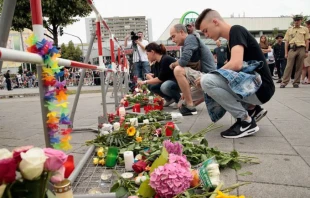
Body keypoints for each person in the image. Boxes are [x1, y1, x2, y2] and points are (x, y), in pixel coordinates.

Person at [195, 8, 274, 138]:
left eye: (205, 30)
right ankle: (252, 109)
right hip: (257, 87)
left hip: (261, 88)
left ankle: (246, 122)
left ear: (215, 22)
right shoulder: (230, 43)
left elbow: (236, 64)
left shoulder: (236, 30)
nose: (206, 35)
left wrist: (208, 78)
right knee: (210, 80)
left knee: (207, 80)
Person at [169, 24, 216, 116]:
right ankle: (207, 95)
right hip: (202, 79)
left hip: (209, 78)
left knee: (178, 69)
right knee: (181, 104)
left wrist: (173, 64)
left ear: (182, 32)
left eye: (173, 36)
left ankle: (190, 107)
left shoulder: (190, 38)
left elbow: (182, 62)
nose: (173, 40)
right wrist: (187, 92)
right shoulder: (188, 43)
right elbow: (190, 69)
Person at [137, 43, 180, 108]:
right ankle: (169, 99)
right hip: (169, 82)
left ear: (152, 52)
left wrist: (144, 82)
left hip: (177, 81)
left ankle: (179, 100)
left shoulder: (165, 59)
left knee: (164, 86)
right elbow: (158, 78)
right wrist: (151, 76)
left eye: (147, 54)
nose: (147, 56)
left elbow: (159, 79)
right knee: (152, 86)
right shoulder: (157, 62)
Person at [280, 14, 309, 88]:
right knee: (288, 66)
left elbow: (307, 41)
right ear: (294, 21)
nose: (296, 21)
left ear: (301, 20)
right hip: (292, 48)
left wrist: (306, 51)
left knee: (299, 66)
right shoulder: (289, 29)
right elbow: (286, 42)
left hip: (302, 48)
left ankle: (296, 82)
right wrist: (286, 53)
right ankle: (284, 82)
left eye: (298, 20)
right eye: (295, 20)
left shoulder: (305, 29)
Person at [301, 17, 310, 84]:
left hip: (308, 50)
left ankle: (309, 79)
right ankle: (303, 79)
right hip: (305, 50)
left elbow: (307, 41)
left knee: (308, 66)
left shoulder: (308, 33)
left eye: (306, 25)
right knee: (304, 66)